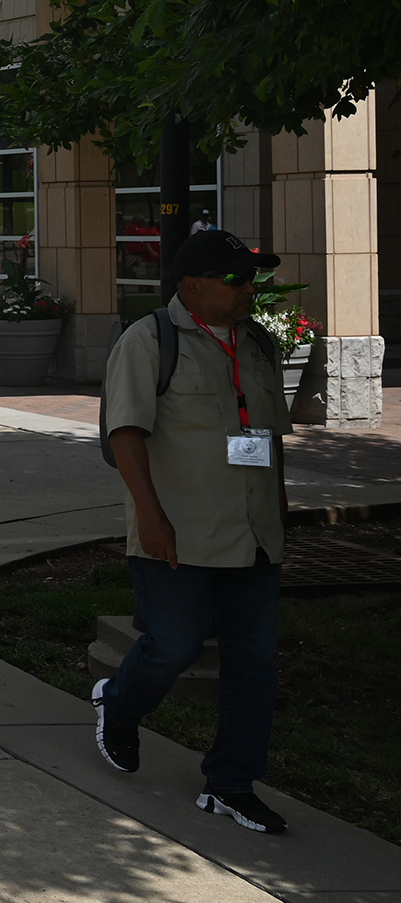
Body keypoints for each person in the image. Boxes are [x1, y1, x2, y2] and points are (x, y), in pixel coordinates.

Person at [94, 229, 294, 835]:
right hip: (179, 532)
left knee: (254, 662)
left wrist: (281, 512)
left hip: (255, 535)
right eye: (235, 279)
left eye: (252, 278)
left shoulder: (259, 343)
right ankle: (117, 703)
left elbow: (268, 438)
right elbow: (125, 434)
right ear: (191, 285)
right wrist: (149, 516)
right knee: (174, 647)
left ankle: (231, 783)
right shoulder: (150, 340)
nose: (248, 288)